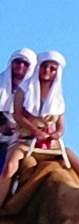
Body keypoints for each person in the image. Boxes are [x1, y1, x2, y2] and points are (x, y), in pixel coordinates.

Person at [15, 50, 79, 184]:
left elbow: (61, 125)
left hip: (52, 147)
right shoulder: (23, 90)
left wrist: (57, 133)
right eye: (44, 66)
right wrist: (35, 131)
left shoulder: (57, 99)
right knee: (10, 167)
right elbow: (18, 116)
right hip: (25, 143)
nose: (47, 70)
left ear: (57, 72)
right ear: (38, 67)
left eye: (52, 68)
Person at [0, 49, 35, 206]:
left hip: (26, 140)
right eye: (17, 62)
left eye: (25, 63)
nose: (20, 66)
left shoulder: (36, 91)